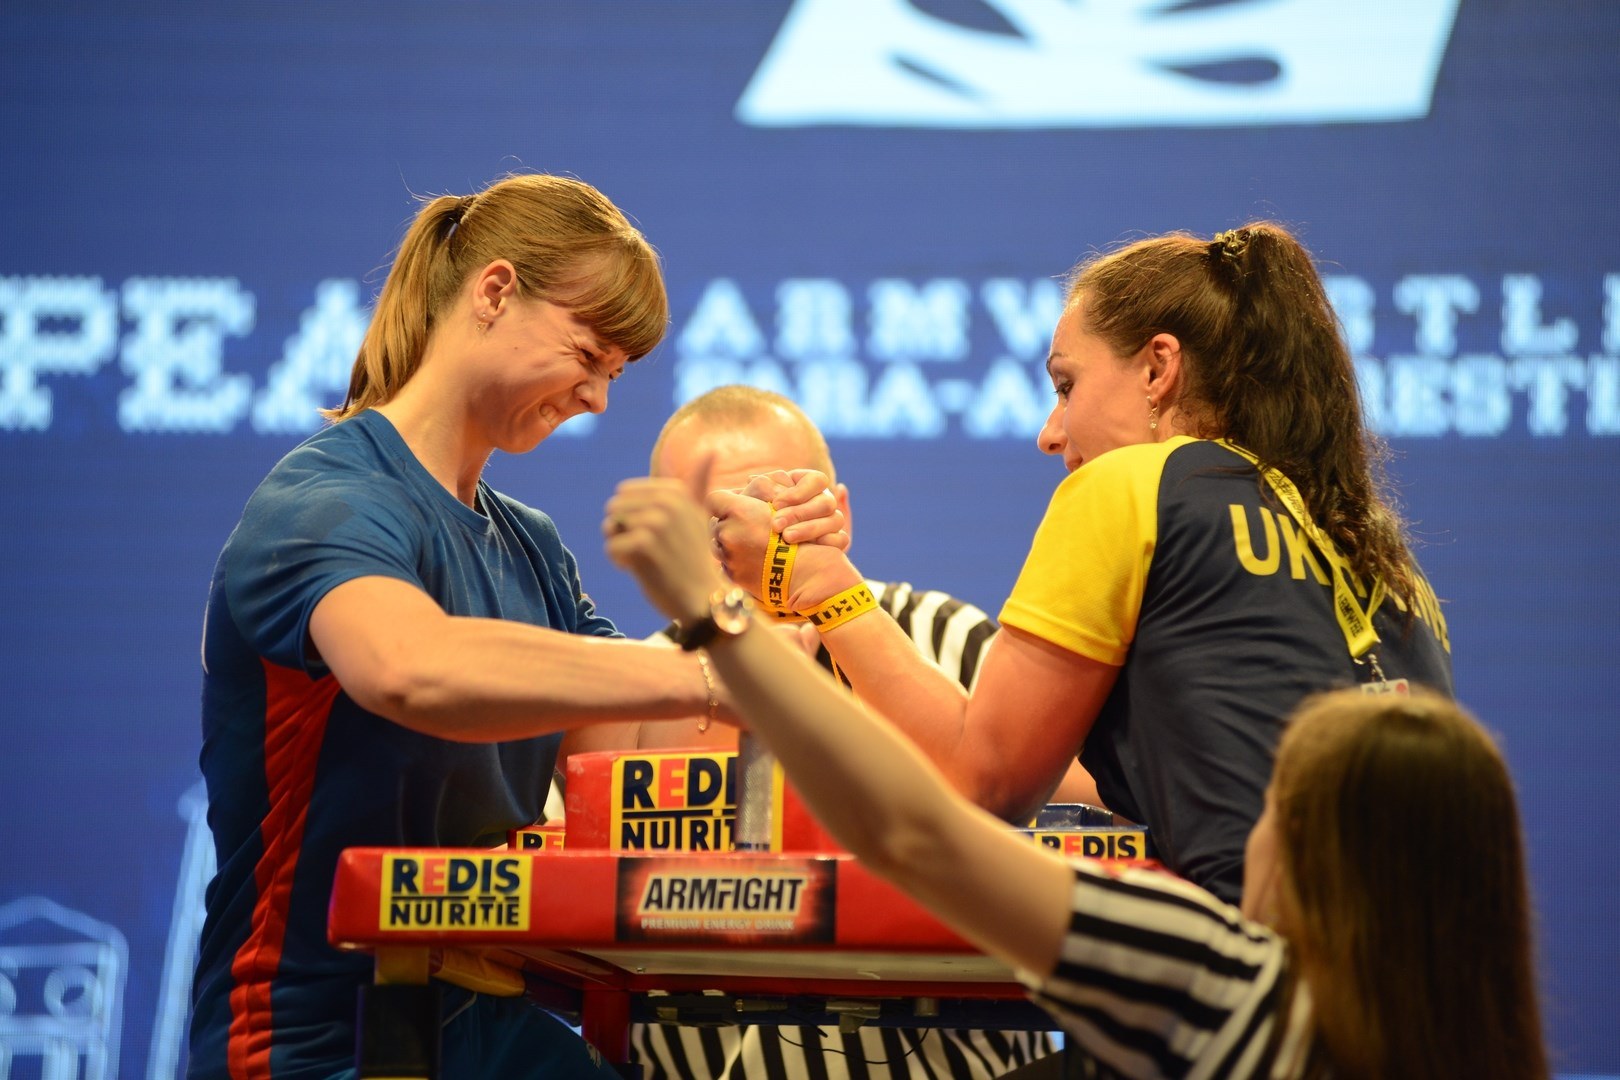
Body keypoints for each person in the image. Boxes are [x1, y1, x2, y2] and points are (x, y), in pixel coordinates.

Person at [613, 483, 1550, 1078]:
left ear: (1314, 850)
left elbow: (920, 833)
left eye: (1277, 807)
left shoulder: (1223, 987)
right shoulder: (1502, 1045)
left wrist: (717, 614)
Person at [699, 223, 1453, 904]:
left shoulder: (1130, 484)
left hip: (1268, 989)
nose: (1051, 433)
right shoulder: (1375, 548)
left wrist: (821, 584)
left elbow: (983, 781)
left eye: (1067, 385)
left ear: (1159, 369)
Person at [189, 173, 728, 1080]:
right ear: (494, 293)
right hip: (316, 1036)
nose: (599, 399)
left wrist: (753, 605)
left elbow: (629, 750)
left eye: (616, 375)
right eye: (589, 354)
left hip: (485, 1019)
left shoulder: (533, 544)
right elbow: (411, 671)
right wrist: (708, 667)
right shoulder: (321, 503)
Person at [566, 385, 1055, 1080]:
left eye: (773, 507)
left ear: (838, 513)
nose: (739, 538)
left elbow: (1066, 823)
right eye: (706, 518)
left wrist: (817, 595)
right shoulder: (633, 680)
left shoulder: (952, 639)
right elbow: (583, 904)